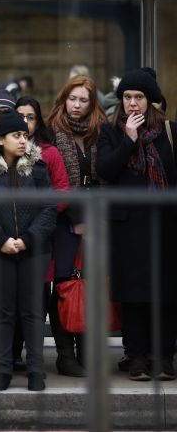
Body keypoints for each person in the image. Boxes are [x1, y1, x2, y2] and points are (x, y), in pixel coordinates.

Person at [96, 68, 177, 381]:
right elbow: (106, 169)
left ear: (151, 101)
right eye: (127, 97)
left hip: (164, 227)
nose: (132, 103)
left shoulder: (169, 132)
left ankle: (163, 357)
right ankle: (138, 356)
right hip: (128, 229)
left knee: (165, 293)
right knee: (133, 295)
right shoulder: (111, 132)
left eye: (138, 97)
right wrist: (128, 141)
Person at [0, 109, 56, 391]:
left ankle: (35, 372)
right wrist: (0, 239)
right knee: (3, 311)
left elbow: (49, 208)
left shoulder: (38, 168)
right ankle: (3, 371)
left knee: (32, 312)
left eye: (25, 135)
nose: (23, 140)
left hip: (34, 250)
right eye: (16, 135)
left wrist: (28, 239)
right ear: (1, 139)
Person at [46, 75, 107, 377]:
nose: (77, 105)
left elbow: (104, 177)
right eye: (73, 98)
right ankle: (65, 355)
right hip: (63, 221)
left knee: (90, 286)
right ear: (64, 98)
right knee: (65, 286)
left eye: (84, 100)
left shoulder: (101, 131)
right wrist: (75, 218)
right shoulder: (51, 130)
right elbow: (54, 181)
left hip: (96, 220)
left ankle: (87, 352)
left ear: (91, 103)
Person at [11, 96, 70, 370]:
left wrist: (40, 218)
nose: (25, 122)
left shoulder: (49, 153)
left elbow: (61, 192)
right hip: (8, 238)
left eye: (30, 117)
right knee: (10, 303)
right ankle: (10, 356)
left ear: (38, 120)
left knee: (36, 302)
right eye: (20, 116)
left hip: (40, 238)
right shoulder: (3, 153)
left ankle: (35, 360)